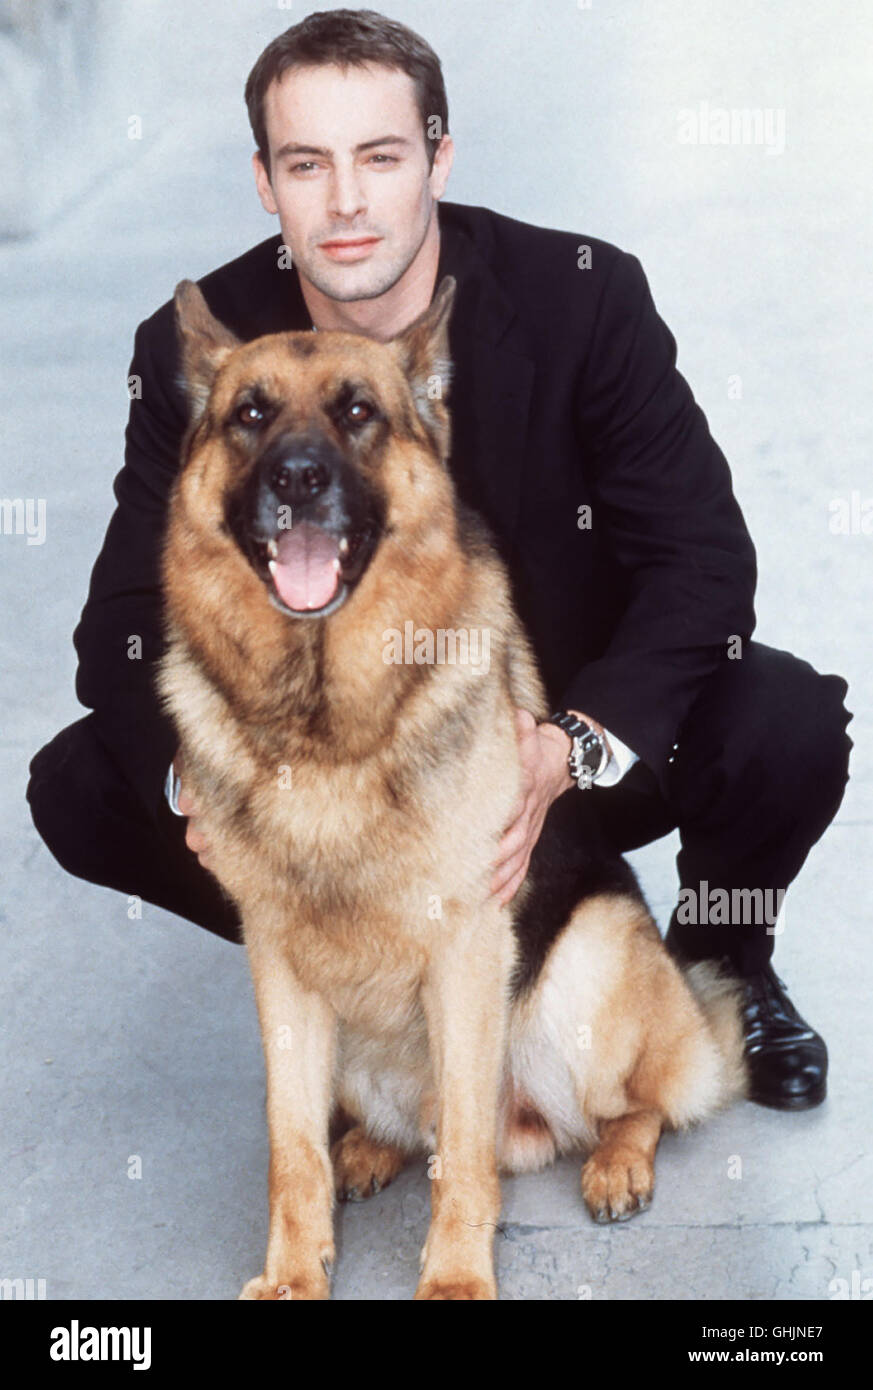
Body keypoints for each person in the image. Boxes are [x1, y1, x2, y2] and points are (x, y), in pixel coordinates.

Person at [27, 8, 852, 1111]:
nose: (348, 200)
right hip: (351, 788)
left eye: (380, 156)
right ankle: (363, 998)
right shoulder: (211, 342)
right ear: (266, 183)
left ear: (438, 157)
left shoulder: (584, 297)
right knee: (85, 785)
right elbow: (123, 619)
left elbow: (703, 563)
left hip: (555, 758)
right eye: (307, 164)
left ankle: (726, 966)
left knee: (781, 721)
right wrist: (203, 793)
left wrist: (568, 747)